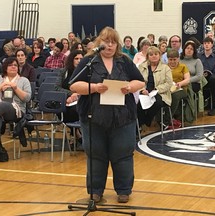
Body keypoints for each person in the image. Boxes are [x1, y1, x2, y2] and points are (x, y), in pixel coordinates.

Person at [69, 26, 145, 204]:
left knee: (123, 153)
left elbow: (140, 81)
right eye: (106, 41)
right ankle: (95, 191)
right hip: (93, 117)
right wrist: (94, 88)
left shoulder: (124, 61)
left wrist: (129, 87)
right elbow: (73, 85)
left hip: (123, 117)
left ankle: (124, 190)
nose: (109, 45)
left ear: (117, 45)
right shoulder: (89, 61)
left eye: (113, 42)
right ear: (99, 43)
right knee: (96, 154)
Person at [55, 50, 84, 149]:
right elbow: (57, 88)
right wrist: (70, 94)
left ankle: (74, 134)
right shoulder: (64, 71)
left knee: (74, 110)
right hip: (65, 99)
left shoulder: (86, 72)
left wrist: (76, 95)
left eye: (81, 59)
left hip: (81, 99)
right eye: (76, 59)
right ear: (71, 60)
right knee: (60, 110)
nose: (79, 61)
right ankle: (76, 133)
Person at [137, 46, 173, 127]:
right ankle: (139, 125)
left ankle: (147, 120)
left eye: (156, 54)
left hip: (160, 92)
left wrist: (156, 89)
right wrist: (142, 90)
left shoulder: (165, 68)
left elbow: (169, 83)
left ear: (159, 55)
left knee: (157, 103)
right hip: (144, 92)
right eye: (151, 54)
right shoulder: (141, 67)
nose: (154, 56)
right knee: (138, 103)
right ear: (147, 57)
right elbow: (137, 80)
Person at [180, 40, 205, 120]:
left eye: (191, 49)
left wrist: (187, 81)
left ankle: (188, 114)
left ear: (194, 51)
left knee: (187, 91)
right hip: (180, 82)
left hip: (194, 83)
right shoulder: (179, 60)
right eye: (187, 48)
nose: (189, 50)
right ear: (184, 49)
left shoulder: (197, 61)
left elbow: (199, 76)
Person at [198, 37, 215, 116]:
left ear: (212, 45)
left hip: (211, 79)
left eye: (208, 43)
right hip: (200, 78)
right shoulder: (199, 57)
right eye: (205, 43)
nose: (206, 45)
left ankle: (214, 107)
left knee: (213, 80)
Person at [167, 49, 190, 126]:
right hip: (168, 89)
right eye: (170, 59)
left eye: (174, 59)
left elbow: (187, 79)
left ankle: (168, 118)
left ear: (178, 58)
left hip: (181, 89)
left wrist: (180, 83)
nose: (172, 62)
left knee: (175, 96)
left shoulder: (183, 66)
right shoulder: (165, 67)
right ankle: (162, 118)